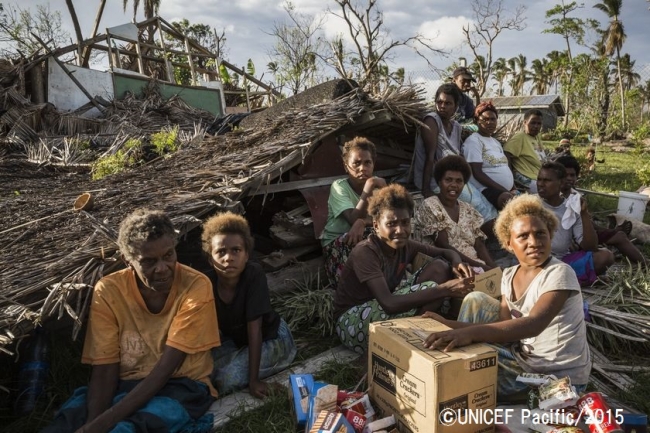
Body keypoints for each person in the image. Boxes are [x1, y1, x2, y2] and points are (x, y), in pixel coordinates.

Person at [43, 209, 221, 433]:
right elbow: (105, 367)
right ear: (127, 260)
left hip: (182, 384)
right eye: (149, 261)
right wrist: (93, 422)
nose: (162, 268)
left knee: (131, 428)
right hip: (125, 384)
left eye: (168, 255)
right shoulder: (109, 291)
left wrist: (99, 426)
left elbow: (165, 369)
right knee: (67, 422)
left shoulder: (196, 286)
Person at [422, 194, 591, 403]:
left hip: (556, 377)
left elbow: (534, 324)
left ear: (551, 235)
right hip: (524, 359)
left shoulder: (559, 272)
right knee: (476, 300)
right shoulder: (509, 275)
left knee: (468, 372)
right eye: (523, 236)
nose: (534, 242)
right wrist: (449, 325)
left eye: (541, 234)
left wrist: (466, 334)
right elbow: (505, 328)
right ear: (508, 243)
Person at [333, 184, 475, 353]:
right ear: (376, 225)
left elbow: (446, 252)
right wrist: (446, 289)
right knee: (433, 290)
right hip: (352, 322)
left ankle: (418, 333)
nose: (400, 230)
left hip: (381, 310)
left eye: (405, 223)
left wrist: (457, 262)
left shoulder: (405, 245)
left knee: (439, 267)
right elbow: (389, 304)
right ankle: (414, 339)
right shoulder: (366, 252)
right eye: (391, 224)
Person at [201, 212, 296, 399]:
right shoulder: (206, 283)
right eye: (220, 252)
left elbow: (255, 330)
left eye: (236, 250)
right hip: (236, 341)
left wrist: (254, 381)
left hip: (271, 338)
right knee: (202, 371)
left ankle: (252, 367)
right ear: (210, 258)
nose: (228, 258)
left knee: (226, 378)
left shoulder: (253, 275)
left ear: (246, 255)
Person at [413, 83, 497, 228]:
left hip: (454, 178)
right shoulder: (432, 121)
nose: (442, 106)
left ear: (456, 106)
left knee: (486, 206)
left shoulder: (456, 127)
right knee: (478, 208)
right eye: (439, 102)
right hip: (437, 180)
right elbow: (430, 156)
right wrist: (426, 189)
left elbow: (457, 157)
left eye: (448, 103)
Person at [555, 155, 646, 265]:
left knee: (617, 235)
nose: (569, 178)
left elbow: (584, 220)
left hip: (581, 234)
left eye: (572, 175)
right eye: (565, 175)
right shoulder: (552, 195)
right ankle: (611, 233)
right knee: (614, 241)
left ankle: (645, 264)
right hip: (566, 239)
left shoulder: (575, 195)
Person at [321, 137, 386, 287]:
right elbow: (352, 219)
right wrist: (368, 188)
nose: (362, 168)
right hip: (338, 244)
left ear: (373, 164)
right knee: (367, 236)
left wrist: (364, 221)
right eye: (356, 163)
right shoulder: (339, 187)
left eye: (367, 163)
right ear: (346, 166)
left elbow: (390, 218)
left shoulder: (379, 186)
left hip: (365, 240)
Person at [413, 155, 497, 272]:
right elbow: (443, 245)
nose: (453, 185)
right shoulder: (431, 205)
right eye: (448, 180)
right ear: (439, 182)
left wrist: (493, 268)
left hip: (476, 266)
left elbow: (479, 245)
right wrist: (483, 267)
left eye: (459, 181)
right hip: (444, 266)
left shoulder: (468, 209)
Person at [536, 162, 614, 286]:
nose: (541, 184)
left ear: (561, 183)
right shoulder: (531, 204)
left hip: (562, 262)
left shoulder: (571, 207)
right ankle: (569, 281)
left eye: (547, 180)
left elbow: (590, 247)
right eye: (539, 179)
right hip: (536, 261)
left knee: (606, 256)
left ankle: (562, 281)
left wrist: (584, 214)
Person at [463, 101, 518, 210]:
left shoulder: (495, 142)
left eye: (493, 119)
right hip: (485, 190)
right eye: (485, 119)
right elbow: (477, 173)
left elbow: (504, 167)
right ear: (476, 121)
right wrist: (504, 190)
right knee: (509, 201)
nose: (490, 122)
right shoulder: (474, 141)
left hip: (505, 190)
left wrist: (513, 187)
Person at [503, 109, 546, 193]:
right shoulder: (520, 137)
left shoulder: (536, 137)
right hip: (527, 178)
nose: (536, 126)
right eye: (533, 123)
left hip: (538, 176)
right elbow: (506, 153)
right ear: (525, 122)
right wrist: (510, 177)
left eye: (539, 123)